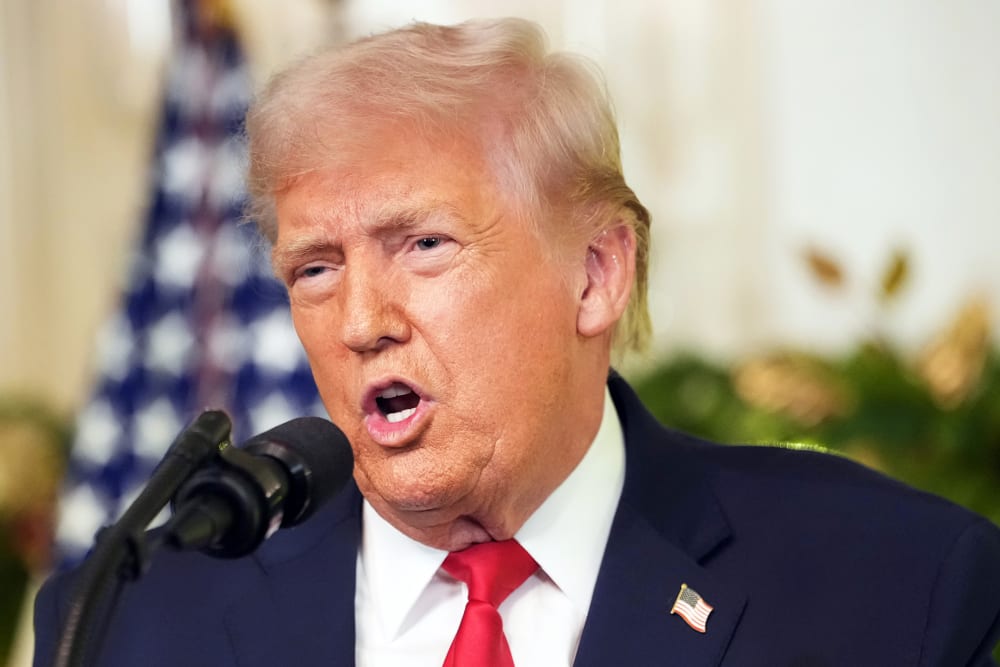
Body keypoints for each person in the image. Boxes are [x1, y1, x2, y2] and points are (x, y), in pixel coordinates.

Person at [34, 17, 1000, 667]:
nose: (361, 321)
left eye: (423, 245)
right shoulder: (133, 625)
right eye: (316, 268)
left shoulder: (890, 584)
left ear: (596, 273)